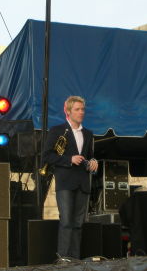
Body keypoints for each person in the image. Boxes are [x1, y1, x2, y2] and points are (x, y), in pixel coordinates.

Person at [42, 95, 98, 259]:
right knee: (66, 222)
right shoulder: (57, 130)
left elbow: (89, 156)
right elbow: (46, 156)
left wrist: (93, 162)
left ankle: (75, 260)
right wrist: (69, 159)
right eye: (77, 109)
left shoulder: (88, 134)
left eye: (83, 109)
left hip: (83, 183)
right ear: (68, 111)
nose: (81, 112)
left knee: (78, 224)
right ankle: (64, 259)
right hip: (65, 183)